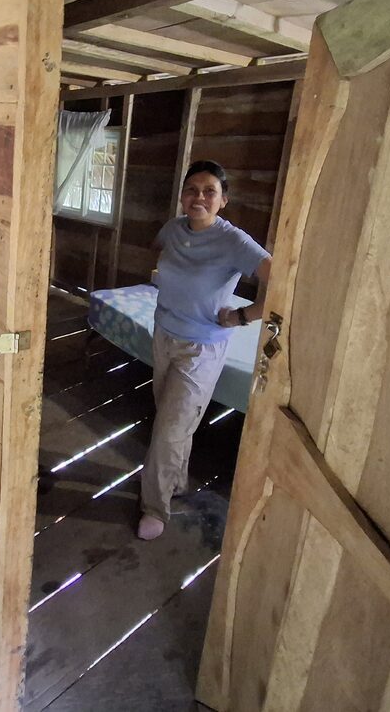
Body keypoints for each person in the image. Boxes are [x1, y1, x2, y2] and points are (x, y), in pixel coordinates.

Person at [138, 160, 271, 540]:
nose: (199, 197)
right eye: (191, 190)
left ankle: (155, 508)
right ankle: (175, 480)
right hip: (163, 335)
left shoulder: (233, 241)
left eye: (209, 191)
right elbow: (157, 249)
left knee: (168, 430)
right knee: (172, 419)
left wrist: (245, 315)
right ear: (182, 196)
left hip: (200, 349)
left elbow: (281, 281)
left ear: (223, 200)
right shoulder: (173, 228)